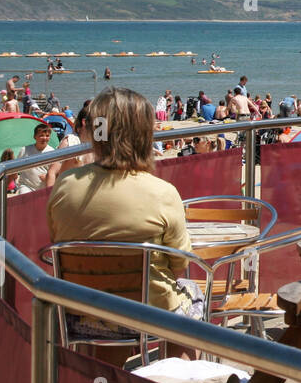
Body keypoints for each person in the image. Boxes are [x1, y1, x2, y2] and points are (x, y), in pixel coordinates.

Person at [48, 87, 198, 319]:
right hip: (150, 314)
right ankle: (182, 355)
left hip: (82, 311)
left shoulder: (65, 185)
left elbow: (57, 241)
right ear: (143, 136)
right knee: (194, 298)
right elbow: (180, 266)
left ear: (97, 132)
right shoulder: (162, 193)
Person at [14, 122, 57, 194]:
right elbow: (16, 168)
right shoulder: (25, 150)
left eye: (47, 136)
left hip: (43, 187)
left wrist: (48, 177)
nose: (44, 138)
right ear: (35, 136)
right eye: (41, 135)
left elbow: (56, 172)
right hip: (26, 185)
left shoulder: (52, 152)